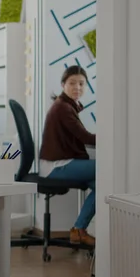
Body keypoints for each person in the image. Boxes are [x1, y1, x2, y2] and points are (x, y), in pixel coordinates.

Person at [39, 65, 96, 247]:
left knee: (102, 183)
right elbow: (85, 137)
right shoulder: (63, 108)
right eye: (72, 83)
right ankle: (79, 229)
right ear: (63, 84)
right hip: (56, 166)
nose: (77, 88)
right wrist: (112, 139)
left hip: (57, 164)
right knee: (107, 168)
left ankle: (79, 230)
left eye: (81, 84)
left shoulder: (66, 106)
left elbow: (81, 137)